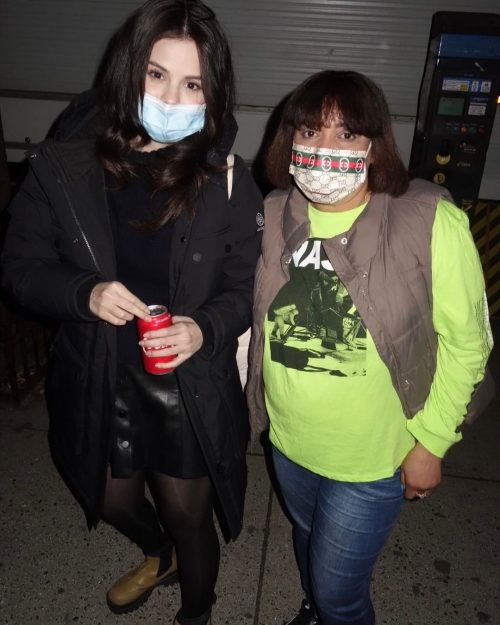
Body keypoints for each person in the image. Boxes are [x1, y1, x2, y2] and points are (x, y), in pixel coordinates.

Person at [1, 2, 263, 625]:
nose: (172, 98)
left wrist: (205, 328)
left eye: (193, 84)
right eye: (156, 74)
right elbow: (19, 266)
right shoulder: (66, 165)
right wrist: (83, 293)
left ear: (213, 92)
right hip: (101, 369)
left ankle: (195, 612)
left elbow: (244, 286)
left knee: (188, 514)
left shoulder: (227, 178)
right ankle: (159, 553)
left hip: (187, 381)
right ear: (127, 71)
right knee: (111, 497)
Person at [246, 70, 492, 625]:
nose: (323, 148)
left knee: (341, 593)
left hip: (374, 457)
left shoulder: (428, 218)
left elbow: (469, 343)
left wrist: (432, 443)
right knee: (307, 536)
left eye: (346, 134)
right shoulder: (277, 211)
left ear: (375, 144)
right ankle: (315, 606)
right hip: (290, 440)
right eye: (309, 131)